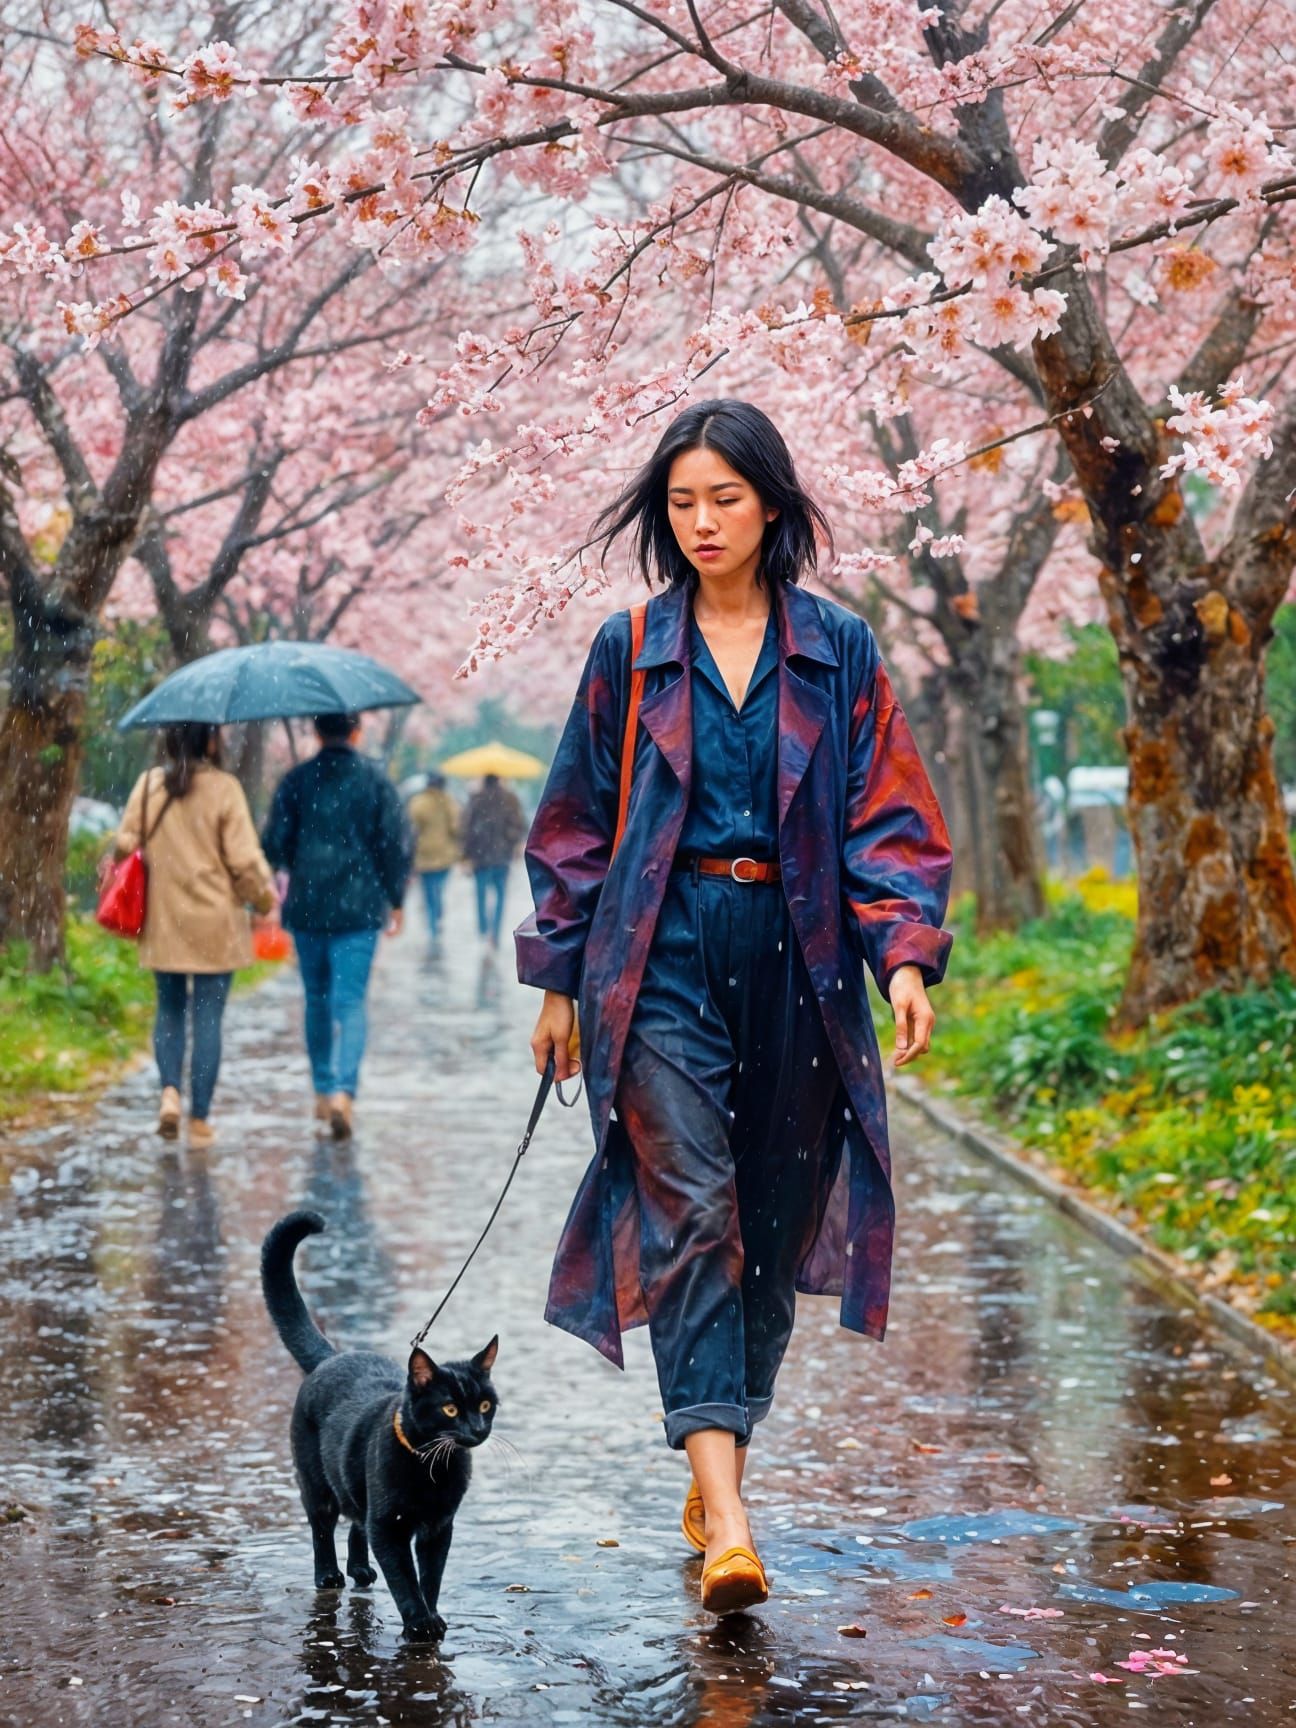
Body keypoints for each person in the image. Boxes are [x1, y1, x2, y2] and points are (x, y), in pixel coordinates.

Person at [517, 399, 953, 1616]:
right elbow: (572, 825)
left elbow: (888, 816)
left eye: (724, 498)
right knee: (690, 1210)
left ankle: (717, 1474)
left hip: (799, 959)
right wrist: (558, 979)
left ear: (772, 504)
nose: (701, 522)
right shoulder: (630, 648)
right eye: (681, 502)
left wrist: (905, 955)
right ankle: (734, 1524)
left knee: (767, 1220)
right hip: (654, 959)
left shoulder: (839, 649)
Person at [113, 723, 277, 1149]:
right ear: (208, 740)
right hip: (215, 922)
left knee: (169, 1011)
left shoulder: (149, 784)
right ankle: (200, 1120)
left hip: (165, 919)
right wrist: (261, 899)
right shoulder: (224, 789)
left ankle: (170, 1091)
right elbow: (244, 861)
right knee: (207, 1020)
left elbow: (124, 841)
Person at [262, 712, 412, 1140]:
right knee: (350, 1003)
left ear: (314, 730)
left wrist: (301, 856)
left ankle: (324, 1089)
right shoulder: (375, 781)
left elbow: (274, 844)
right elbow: (394, 844)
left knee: (316, 1000)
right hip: (360, 909)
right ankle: (346, 1092)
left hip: (308, 905)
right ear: (356, 732)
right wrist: (395, 898)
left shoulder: (296, 781)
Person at [460, 773, 526, 948]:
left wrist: (465, 855)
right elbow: (519, 826)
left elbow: (466, 828)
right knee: (500, 895)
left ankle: (483, 931)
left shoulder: (476, 799)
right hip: (502, 856)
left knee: (481, 895)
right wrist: (511, 840)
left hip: (480, 856)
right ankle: (494, 934)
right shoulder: (510, 799)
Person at [407, 771, 459, 951]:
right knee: (439, 889)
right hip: (445, 855)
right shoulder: (449, 802)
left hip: (424, 855)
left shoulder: (418, 803)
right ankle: (437, 917)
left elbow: (411, 830)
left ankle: (432, 927)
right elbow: (455, 827)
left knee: (428, 892)